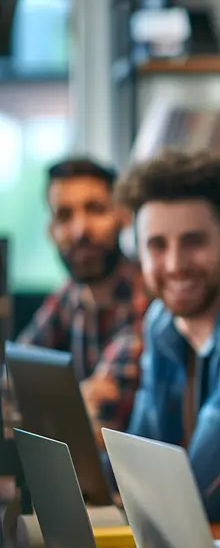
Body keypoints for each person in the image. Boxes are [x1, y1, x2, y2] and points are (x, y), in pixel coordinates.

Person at [114, 149, 220, 521]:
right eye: (157, 245)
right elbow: (140, 462)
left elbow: (195, 494)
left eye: (194, 242)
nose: (174, 265)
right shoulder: (160, 322)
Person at [5, 158, 148, 439]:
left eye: (95, 209)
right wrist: (74, 402)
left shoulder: (146, 296)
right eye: (64, 215)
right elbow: (11, 381)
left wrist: (46, 406)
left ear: (123, 216)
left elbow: (105, 412)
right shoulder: (69, 296)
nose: (80, 230)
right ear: (51, 230)